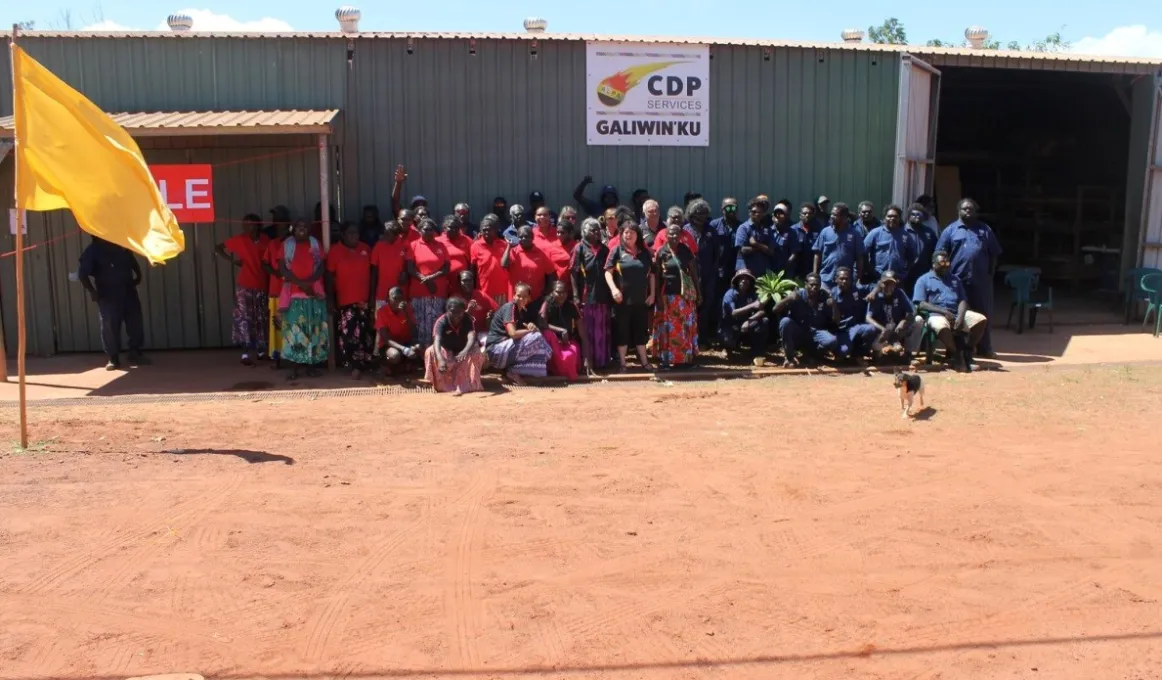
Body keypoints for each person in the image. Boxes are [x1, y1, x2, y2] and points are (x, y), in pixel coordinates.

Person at [935, 198, 1002, 358]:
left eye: (971, 209)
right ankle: (956, 349)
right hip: (957, 282)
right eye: (965, 209)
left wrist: (989, 275)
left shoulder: (985, 230)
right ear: (959, 211)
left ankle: (984, 348)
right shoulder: (950, 231)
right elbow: (939, 255)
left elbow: (994, 254)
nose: (968, 212)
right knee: (957, 314)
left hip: (980, 281)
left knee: (983, 314)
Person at [78, 236, 147, 370]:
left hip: (128, 290)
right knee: (109, 324)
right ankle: (113, 357)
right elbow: (82, 274)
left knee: (135, 320)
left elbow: (132, 260)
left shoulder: (121, 245)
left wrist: (138, 276)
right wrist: (91, 290)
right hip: (107, 293)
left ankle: (135, 352)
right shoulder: (93, 250)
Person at [913, 250, 989, 371]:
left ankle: (967, 351)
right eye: (942, 263)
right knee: (941, 326)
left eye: (947, 262)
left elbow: (963, 300)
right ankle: (955, 354)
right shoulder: (923, 280)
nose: (945, 265)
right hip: (936, 314)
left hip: (955, 312)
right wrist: (943, 312)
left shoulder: (955, 280)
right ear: (933, 264)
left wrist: (960, 316)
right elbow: (921, 304)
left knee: (980, 320)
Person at [216, 214, 270, 366]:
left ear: (258, 225)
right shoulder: (240, 240)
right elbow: (218, 247)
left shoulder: (266, 240)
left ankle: (260, 351)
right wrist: (232, 260)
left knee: (260, 319)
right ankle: (245, 354)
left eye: (251, 225)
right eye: (245, 225)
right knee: (245, 319)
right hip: (244, 286)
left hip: (261, 285)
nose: (248, 228)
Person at [278, 220, 329, 379]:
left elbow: (321, 266)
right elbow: (282, 268)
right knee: (294, 331)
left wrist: (310, 283)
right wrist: (301, 284)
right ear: (293, 229)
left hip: (313, 294)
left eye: (305, 226)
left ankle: (311, 366)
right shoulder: (287, 245)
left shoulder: (315, 244)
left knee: (314, 330)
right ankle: (294, 368)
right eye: (299, 226)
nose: (303, 229)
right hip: (294, 295)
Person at [605, 219, 656, 372]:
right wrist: (614, 289)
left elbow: (652, 275)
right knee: (622, 332)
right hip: (622, 301)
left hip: (641, 300)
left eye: (632, 233)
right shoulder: (616, 251)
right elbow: (608, 272)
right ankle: (623, 363)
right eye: (625, 232)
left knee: (641, 331)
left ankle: (645, 362)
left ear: (637, 235)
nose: (628, 235)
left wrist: (652, 294)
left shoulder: (645, 253)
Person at [326, 222, 375, 379]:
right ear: (343, 235)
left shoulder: (365, 249)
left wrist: (372, 297)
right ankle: (354, 365)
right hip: (345, 300)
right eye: (350, 233)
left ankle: (363, 364)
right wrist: (330, 299)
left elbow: (373, 274)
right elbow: (329, 278)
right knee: (349, 334)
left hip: (364, 300)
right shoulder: (335, 251)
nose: (354, 236)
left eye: (356, 233)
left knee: (365, 334)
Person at [486, 282, 553, 384]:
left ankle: (513, 371)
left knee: (540, 343)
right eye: (518, 296)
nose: (521, 299)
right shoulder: (510, 307)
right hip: (495, 351)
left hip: (505, 351)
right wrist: (530, 331)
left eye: (524, 297)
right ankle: (512, 370)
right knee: (537, 337)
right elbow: (513, 334)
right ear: (514, 296)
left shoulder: (521, 311)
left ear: (529, 298)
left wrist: (532, 328)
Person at [653, 222, 700, 368]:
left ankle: (684, 360)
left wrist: (699, 292)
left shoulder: (685, 250)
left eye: (677, 234)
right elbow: (658, 277)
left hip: (684, 297)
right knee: (667, 329)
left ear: (681, 236)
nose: (674, 236)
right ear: (666, 236)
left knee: (684, 328)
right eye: (671, 233)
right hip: (667, 297)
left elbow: (693, 272)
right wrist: (657, 298)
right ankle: (666, 360)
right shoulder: (661, 252)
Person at [571, 217, 612, 375]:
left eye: (597, 230)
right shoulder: (579, 248)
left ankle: (602, 361)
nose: (595, 233)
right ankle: (588, 361)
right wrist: (575, 295)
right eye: (592, 230)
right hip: (586, 296)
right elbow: (573, 273)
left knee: (601, 328)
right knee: (587, 329)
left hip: (603, 294)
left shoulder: (605, 249)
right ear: (584, 232)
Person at [425, 297, 487, 394]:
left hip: (463, 350)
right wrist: (440, 359)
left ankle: (469, 385)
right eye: (453, 311)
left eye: (460, 312)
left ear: (463, 311)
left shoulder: (467, 319)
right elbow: (437, 340)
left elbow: (471, 337)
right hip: (447, 350)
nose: (456, 315)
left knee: (477, 352)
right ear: (447, 310)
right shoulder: (441, 321)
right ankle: (442, 385)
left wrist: (465, 351)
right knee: (431, 351)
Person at [778, 272, 840, 368]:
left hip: (816, 332)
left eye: (817, 285)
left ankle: (812, 355)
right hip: (799, 332)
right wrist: (788, 299)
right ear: (806, 284)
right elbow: (775, 310)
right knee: (785, 322)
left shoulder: (824, 297)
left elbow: (836, 321)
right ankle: (789, 358)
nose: (814, 287)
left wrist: (834, 306)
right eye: (812, 285)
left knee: (832, 341)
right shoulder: (798, 294)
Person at [406, 217, 451, 346]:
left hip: (438, 291)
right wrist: (424, 280)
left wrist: (431, 278)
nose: (429, 232)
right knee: (420, 323)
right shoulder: (413, 245)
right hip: (419, 291)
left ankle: (435, 353)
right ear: (420, 230)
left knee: (436, 323)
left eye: (431, 230)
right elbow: (410, 268)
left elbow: (446, 268)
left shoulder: (441, 245)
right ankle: (420, 356)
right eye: (426, 229)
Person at [690, 198, 725, 346]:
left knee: (707, 307)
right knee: (692, 308)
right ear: (692, 214)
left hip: (708, 275)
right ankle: (690, 340)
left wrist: (714, 271)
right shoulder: (686, 230)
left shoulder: (711, 230)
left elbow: (717, 253)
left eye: (705, 213)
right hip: (690, 276)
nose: (703, 217)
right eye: (700, 214)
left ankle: (703, 339)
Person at [830, 266, 879, 364]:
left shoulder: (857, 290)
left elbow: (878, 285)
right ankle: (840, 354)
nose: (844, 281)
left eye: (847, 279)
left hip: (855, 327)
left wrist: (873, 293)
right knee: (843, 352)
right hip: (840, 330)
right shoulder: (832, 294)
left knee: (871, 329)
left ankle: (857, 355)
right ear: (836, 280)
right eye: (841, 279)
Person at [864, 269, 916, 361]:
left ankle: (907, 353)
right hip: (881, 331)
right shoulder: (875, 295)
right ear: (880, 284)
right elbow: (868, 318)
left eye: (891, 284)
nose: (888, 287)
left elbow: (912, 312)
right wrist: (882, 329)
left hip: (896, 330)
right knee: (877, 346)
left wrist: (904, 321)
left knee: (918, 320)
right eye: (885, 283)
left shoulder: (899, 293)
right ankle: (878, 352)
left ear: (895, 284)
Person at [539, 280, 584, 381]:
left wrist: (587, 359)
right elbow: (542, 324)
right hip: (553, 342)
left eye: (564, 292)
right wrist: (560, 330)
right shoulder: (547, 304)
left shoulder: (571, 305)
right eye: (558, 292)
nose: (562, 295)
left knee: (570, 354)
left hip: (568, 342)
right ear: (552, 292)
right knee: (547, 334)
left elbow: (583, 334)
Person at [720, 269, 769, 360]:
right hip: (731, 325)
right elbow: (734, 313)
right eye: (741, 278)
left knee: (764, 321)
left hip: (747, 324)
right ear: (736, 281)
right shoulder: (730, 294)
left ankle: (756, 352)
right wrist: (752, 305)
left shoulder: (753, 294)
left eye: (747, 279)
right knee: (728, 340)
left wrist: (749, 321)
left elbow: (762, 311)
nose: (744, 281)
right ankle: (728, 349)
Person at [813, 202, 863, 288]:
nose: (832, 217)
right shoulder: (825, 232)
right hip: (826, 278)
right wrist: (815, 275)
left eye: (835, 215)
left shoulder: (855, 234)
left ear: (844, 217)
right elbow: (817, 255)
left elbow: (859, 258)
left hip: (845, 280)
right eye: (832, 214)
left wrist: (859, 278)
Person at [501, 225, 556, 303]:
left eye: (527, 236)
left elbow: (551, 273)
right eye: (521, 237)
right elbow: (504, 264)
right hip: (516, 299)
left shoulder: (541, 253)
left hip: (535, 299)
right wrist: (509, 246)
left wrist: (548, 292)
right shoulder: (514, 252)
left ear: (532, 237)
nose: (524, 239)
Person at [863, 204, 917, 282]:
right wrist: (869, 269)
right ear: (884, 218)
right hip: (877, 277)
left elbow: (912, 256)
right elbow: (862, 252)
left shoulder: (906, 236)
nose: (892, 218)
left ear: (899, 218)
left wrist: (905, 272)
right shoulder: (875, 233)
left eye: (895, 216)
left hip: (898, 278)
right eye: (889, 216)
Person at [261, 221, 289, 368]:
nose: (282, 232)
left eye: (285, 229)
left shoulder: (293, 243)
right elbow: (264, 263)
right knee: (277, 325)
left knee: (292, 325)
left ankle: (293, 356)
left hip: (292, 291)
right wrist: (276, 273)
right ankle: (277, 357)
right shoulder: (272, 244)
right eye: (280, 229)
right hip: (276, 290)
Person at [376, 286, 421, 375]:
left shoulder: (407, 309)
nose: (398, 301)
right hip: (390, 346)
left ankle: (403, 367)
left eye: (400, 299)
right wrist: (404, 349)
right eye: (395, 298)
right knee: (394, 355)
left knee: (419, 347)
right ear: (388, 299)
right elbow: (386, 339)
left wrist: (406, 314)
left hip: (405, 343)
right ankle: (388, 366)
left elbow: (414, 332)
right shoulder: (382, 311)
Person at [470, 214, 511, 305]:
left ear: (496, 230)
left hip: (502, 290)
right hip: (484, 290)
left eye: (489, 229)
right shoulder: (475, 246)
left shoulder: (503, 244)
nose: (487, 232)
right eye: (484, 230)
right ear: (480, 231)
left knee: (501, 317)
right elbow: (473, 269)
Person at [370, 220, 409, 312]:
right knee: (381, 323)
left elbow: (410, 265)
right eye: (384, 233)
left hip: (400, 293)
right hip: (382, 294)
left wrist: (405, 273)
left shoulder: (405, 245)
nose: (384, 236)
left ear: (396, 235)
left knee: (401, 322)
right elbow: (374, 272)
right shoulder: (378, 246)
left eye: (387, 234)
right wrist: (372, 295)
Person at [735, 197, 775, 276]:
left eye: (760, 212)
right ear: (749, 212)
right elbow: (743, 250)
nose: (757, 214)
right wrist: (763, 248)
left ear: (764, 213)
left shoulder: (767, 229)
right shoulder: (743, 228)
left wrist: (756, 244)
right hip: (745, 272)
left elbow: (772, 252)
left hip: (763, 272)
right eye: (754, 211)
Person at [906, 203, 939, 293]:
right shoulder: (902, 231)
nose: (916, 216)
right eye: (913, 214)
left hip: (924, 272)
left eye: (919, 214)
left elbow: (936, 250)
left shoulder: (929, 233)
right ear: (908, 216)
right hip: (906, 273)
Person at [710, 197, 741, 291]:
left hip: (735, 267)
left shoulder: (741, 226)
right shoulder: (714, 225)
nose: (731, 210)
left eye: (733, 208)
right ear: (722, 209)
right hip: (718, 267)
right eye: (728, 208)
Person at [456, 269, 497, 337]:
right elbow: (452, 320)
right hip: (462, 335)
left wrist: (491, 316)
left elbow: (498, 310)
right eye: (464, 280)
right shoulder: (455, 299)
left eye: (470, 280)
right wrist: (467, 311)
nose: (467, 283)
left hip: (481, 333)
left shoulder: (481, 295)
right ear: (459, 282)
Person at [545, 218, 579, 297]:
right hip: (555, 288)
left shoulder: (576, 246)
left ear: (570, 233)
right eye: (558, 232)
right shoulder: (552, 246)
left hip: (572, 288)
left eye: (562, 233)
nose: (559, 235)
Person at [769, 203, 801, 276]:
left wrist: (786, 266)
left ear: (786, 216)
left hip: (786, 272)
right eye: (776, 214)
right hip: (769, 271)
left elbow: (794, 253)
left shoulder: (792, 232)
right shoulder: (767, 231)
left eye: (781, 214)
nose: (778, 217)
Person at [438, 214, 473, 279]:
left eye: (456, 227)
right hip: (443, 279)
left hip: (463, 281)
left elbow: (472, 261)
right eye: (450, 227)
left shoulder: (467, 240)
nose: (454, 230)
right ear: (444, 228)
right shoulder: (438, 241)